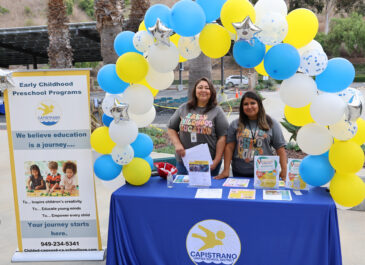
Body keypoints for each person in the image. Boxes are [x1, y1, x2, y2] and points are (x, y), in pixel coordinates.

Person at [215, 91, 287, 180]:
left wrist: (284, 169)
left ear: (259, 105)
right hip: (240, 173)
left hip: (266, 173)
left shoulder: (271, 123)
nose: (249, 107)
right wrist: (225, 170)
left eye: (253, 103)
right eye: (245, 104)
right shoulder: (235, 124)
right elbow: (229, 148)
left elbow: (280, 148)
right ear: (242, 107)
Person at [168, 77, 229, 176]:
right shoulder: (184, 108)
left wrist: (216, 160)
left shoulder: (217, 111)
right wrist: (177, 144)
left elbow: (223, 137)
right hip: (184, 162)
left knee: (205, 191)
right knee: (183, 190)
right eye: (200, 87)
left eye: (207, 88)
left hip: (208, 163)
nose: (203, 90)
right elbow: (171, 128)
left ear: (211, 92)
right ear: (195, 91)